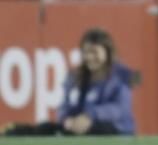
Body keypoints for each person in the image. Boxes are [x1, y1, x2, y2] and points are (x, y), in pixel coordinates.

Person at [4, 28, 135, 137]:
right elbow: (64, 106)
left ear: (107, 53)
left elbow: (120, 109)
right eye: (86, 52)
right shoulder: (75, 78)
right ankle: (11, 131)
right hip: (79, 129)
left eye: (95, 52)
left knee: (100, 129)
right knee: (46, 128)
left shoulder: (120, 76)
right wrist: (67, 120)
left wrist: (90, 116)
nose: (89, 57)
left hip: (116, 131)